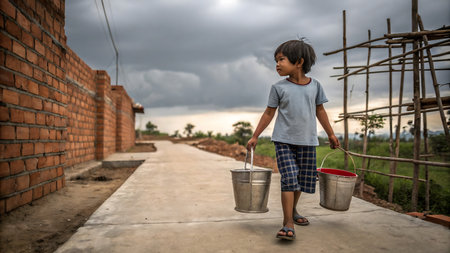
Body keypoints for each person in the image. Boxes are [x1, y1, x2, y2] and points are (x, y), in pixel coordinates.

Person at [246, 39, 340, 240]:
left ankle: (293, 211)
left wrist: (331, 134)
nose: (277, 64)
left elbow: (320, 110)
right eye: (276, 60)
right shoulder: (278, 87)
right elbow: (269, 113)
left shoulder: (315, 86)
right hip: (284, 141)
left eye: (281, 59)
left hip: (308, 141)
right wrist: (255, 136)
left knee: (300, 181)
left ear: (299, 62)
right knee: (289, 178)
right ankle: (288, 222)